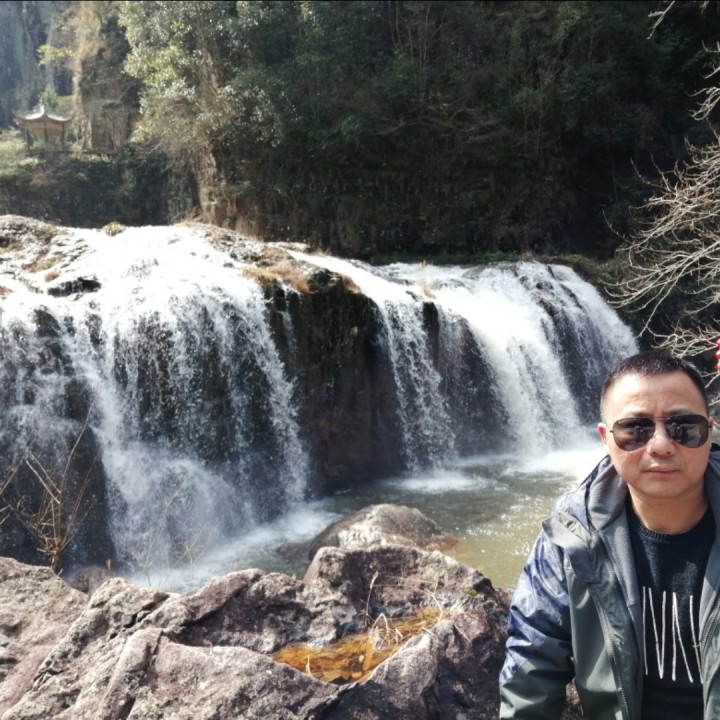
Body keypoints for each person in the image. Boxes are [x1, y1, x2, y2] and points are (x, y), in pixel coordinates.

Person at [499, 349, 720, 719]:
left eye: (684, 427)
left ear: (709, 432)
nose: (661, 445)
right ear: (606, 438)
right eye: (635, 430)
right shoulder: (570, 536)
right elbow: (531, 669)